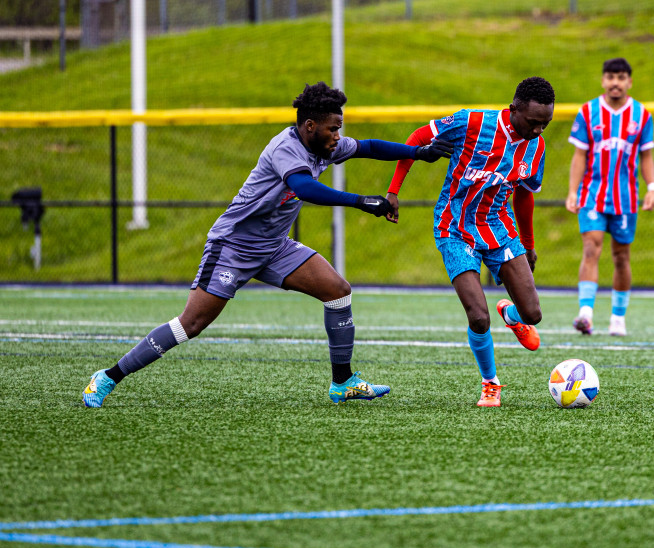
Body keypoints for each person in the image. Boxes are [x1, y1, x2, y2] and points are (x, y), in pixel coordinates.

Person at [82, 81, 453, 408]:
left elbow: (370, 147)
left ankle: (343, 384)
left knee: (338, 291)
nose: (339, 136)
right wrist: (361, 200)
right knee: (191, 324)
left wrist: (417, 153)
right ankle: (108, 376)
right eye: (333, 129)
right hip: (234, 246)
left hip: (274, 246)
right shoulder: (285, 148)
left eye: (340, 129)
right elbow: (306, 188)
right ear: (310, 126)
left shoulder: (324, 144)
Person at [385, 76, 555, 408]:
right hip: (454, 227)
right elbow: (417, 138)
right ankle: (491, 384)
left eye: (545, 124)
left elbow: (524, 196)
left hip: (499, 228)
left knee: (533, 314)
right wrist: (394, 190)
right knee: (478, 316)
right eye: (533, 122)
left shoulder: (537, 146)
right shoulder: (472, 122)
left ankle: (513, 316)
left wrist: (530, 244)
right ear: (514, 109)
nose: (537, 131)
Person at [565, 58, 654, 337]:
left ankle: (618, 317)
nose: (615, 82)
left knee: (621, 257)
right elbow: (579, 155)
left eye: (620, 77)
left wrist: (652, 186)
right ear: (603, 80)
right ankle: (586, 314)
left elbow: (647, 156)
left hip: (626, 198)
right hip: (593, 194)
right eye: (610, 77)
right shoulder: (587, 112)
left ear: (629, 81)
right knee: (591, 248)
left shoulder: (642, 115)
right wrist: (572, 191)